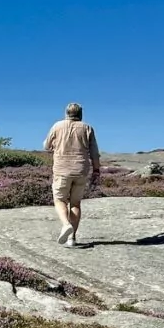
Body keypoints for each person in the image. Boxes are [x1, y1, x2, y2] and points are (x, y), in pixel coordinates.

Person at [42, 102, 100, 247]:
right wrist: (97, 170)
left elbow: (46, 146)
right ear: (80, 114)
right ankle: (72, 238)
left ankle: (66, 224)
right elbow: (94, 153)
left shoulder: (57, 126)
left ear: (66, 113)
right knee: (75, 204)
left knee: (60, 200)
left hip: (62, 170)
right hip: (81, 170)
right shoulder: (87, 128)